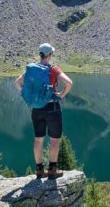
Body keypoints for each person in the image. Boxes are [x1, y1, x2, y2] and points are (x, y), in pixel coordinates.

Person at [15, 43, 72, 179]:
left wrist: (28, 96)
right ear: (50, 55)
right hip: (52, 107)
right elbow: (69, 83)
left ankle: (39, 170)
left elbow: (17, 83)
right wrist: (61, 95)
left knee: (38, 139)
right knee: (54, 140)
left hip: (36, 108)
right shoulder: (53, 69)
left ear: (40, 54)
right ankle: (52, 170)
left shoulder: (32, 69)